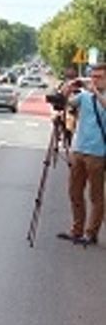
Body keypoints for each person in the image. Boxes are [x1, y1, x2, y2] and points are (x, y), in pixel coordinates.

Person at [57, 64, 106, 245]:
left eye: (100, 76)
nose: (95, 80)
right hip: (79, 149)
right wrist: (67, 88)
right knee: (74, 191)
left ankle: (91, 233)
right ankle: (77, 230)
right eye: (93, 76)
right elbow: (65, 103)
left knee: (96, 195)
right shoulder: (84, 97)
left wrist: (95, 92)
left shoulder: (99, 97)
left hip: (98, 152)